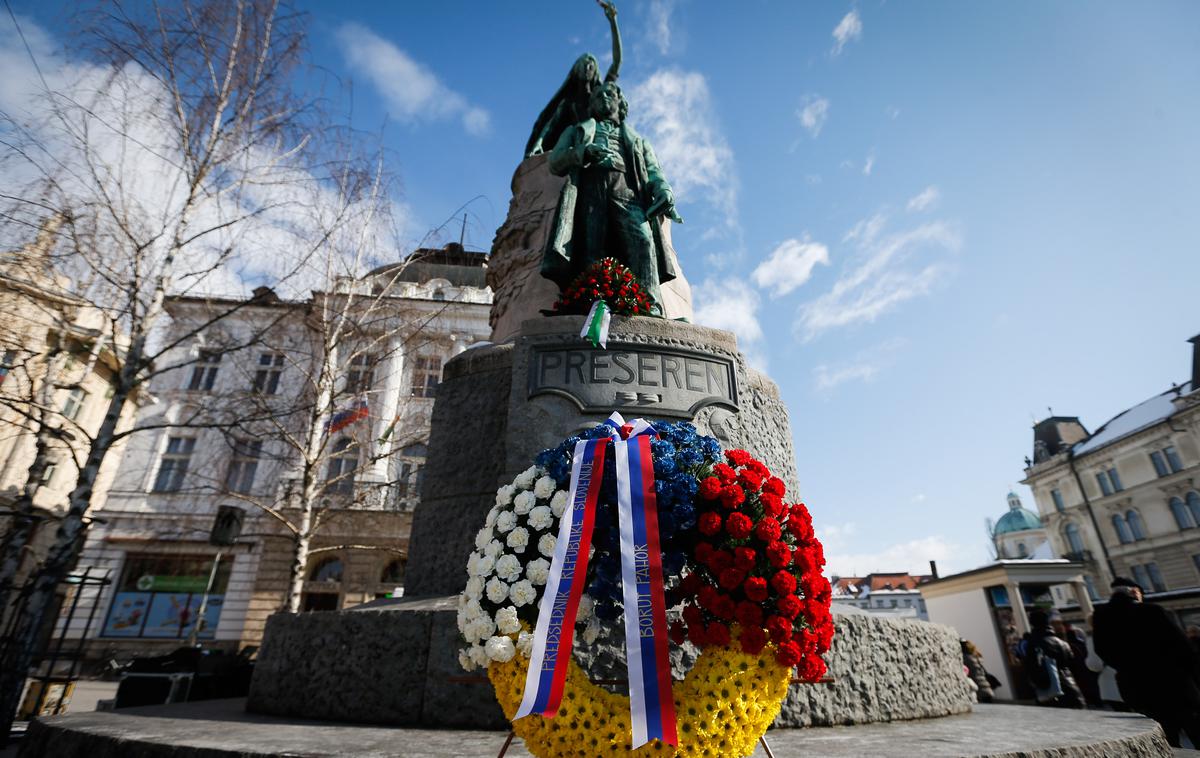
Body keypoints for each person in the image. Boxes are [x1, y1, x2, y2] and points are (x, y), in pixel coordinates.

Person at [542, 81, 680, 314]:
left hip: (626, 190)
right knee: (590, 246)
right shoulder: (577, 131)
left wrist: (664, 189)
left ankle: (650, 304)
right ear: (591, 104)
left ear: (620, 102)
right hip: (589, 190)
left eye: (609, 94)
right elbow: (555, 162)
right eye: (597, 96)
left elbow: (654, 171)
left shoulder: (637, 140)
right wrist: (584, 152)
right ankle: (589, 303)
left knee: (643, 240)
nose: (603, 98)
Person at [1094, 577, 1200, 747]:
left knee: (1163, 741)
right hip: (1174, 685)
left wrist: (1128, 668)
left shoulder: (1101, 616)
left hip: (1137, 688)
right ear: (1134, 592)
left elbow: (1102, 650)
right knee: (1194, 730)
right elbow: (1183, 647)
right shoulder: (1152, 611)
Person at [525, 1, 622, 158]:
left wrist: (613, 21)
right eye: (583, 64)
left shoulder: (600, 94)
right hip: (578, 149)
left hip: (601, 146)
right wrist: (538, 145)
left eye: (591, 64)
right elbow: (550, 126)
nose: (587, 67)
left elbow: (617, 62)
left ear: (595, 71)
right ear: (575, 71)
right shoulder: (569, 103)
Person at [1024, 608, 1085, 708]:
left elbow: (1031, 668)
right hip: (1071, 687)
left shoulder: (1034, 644)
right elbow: (1075, 665)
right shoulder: (1062, 643)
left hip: (1051, 692)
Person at [1051, 611, 1102, 707]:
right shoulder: (1078, 644)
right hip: (1081, 680)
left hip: (1076, 680)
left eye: (1059, 624)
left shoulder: (1072, 645)